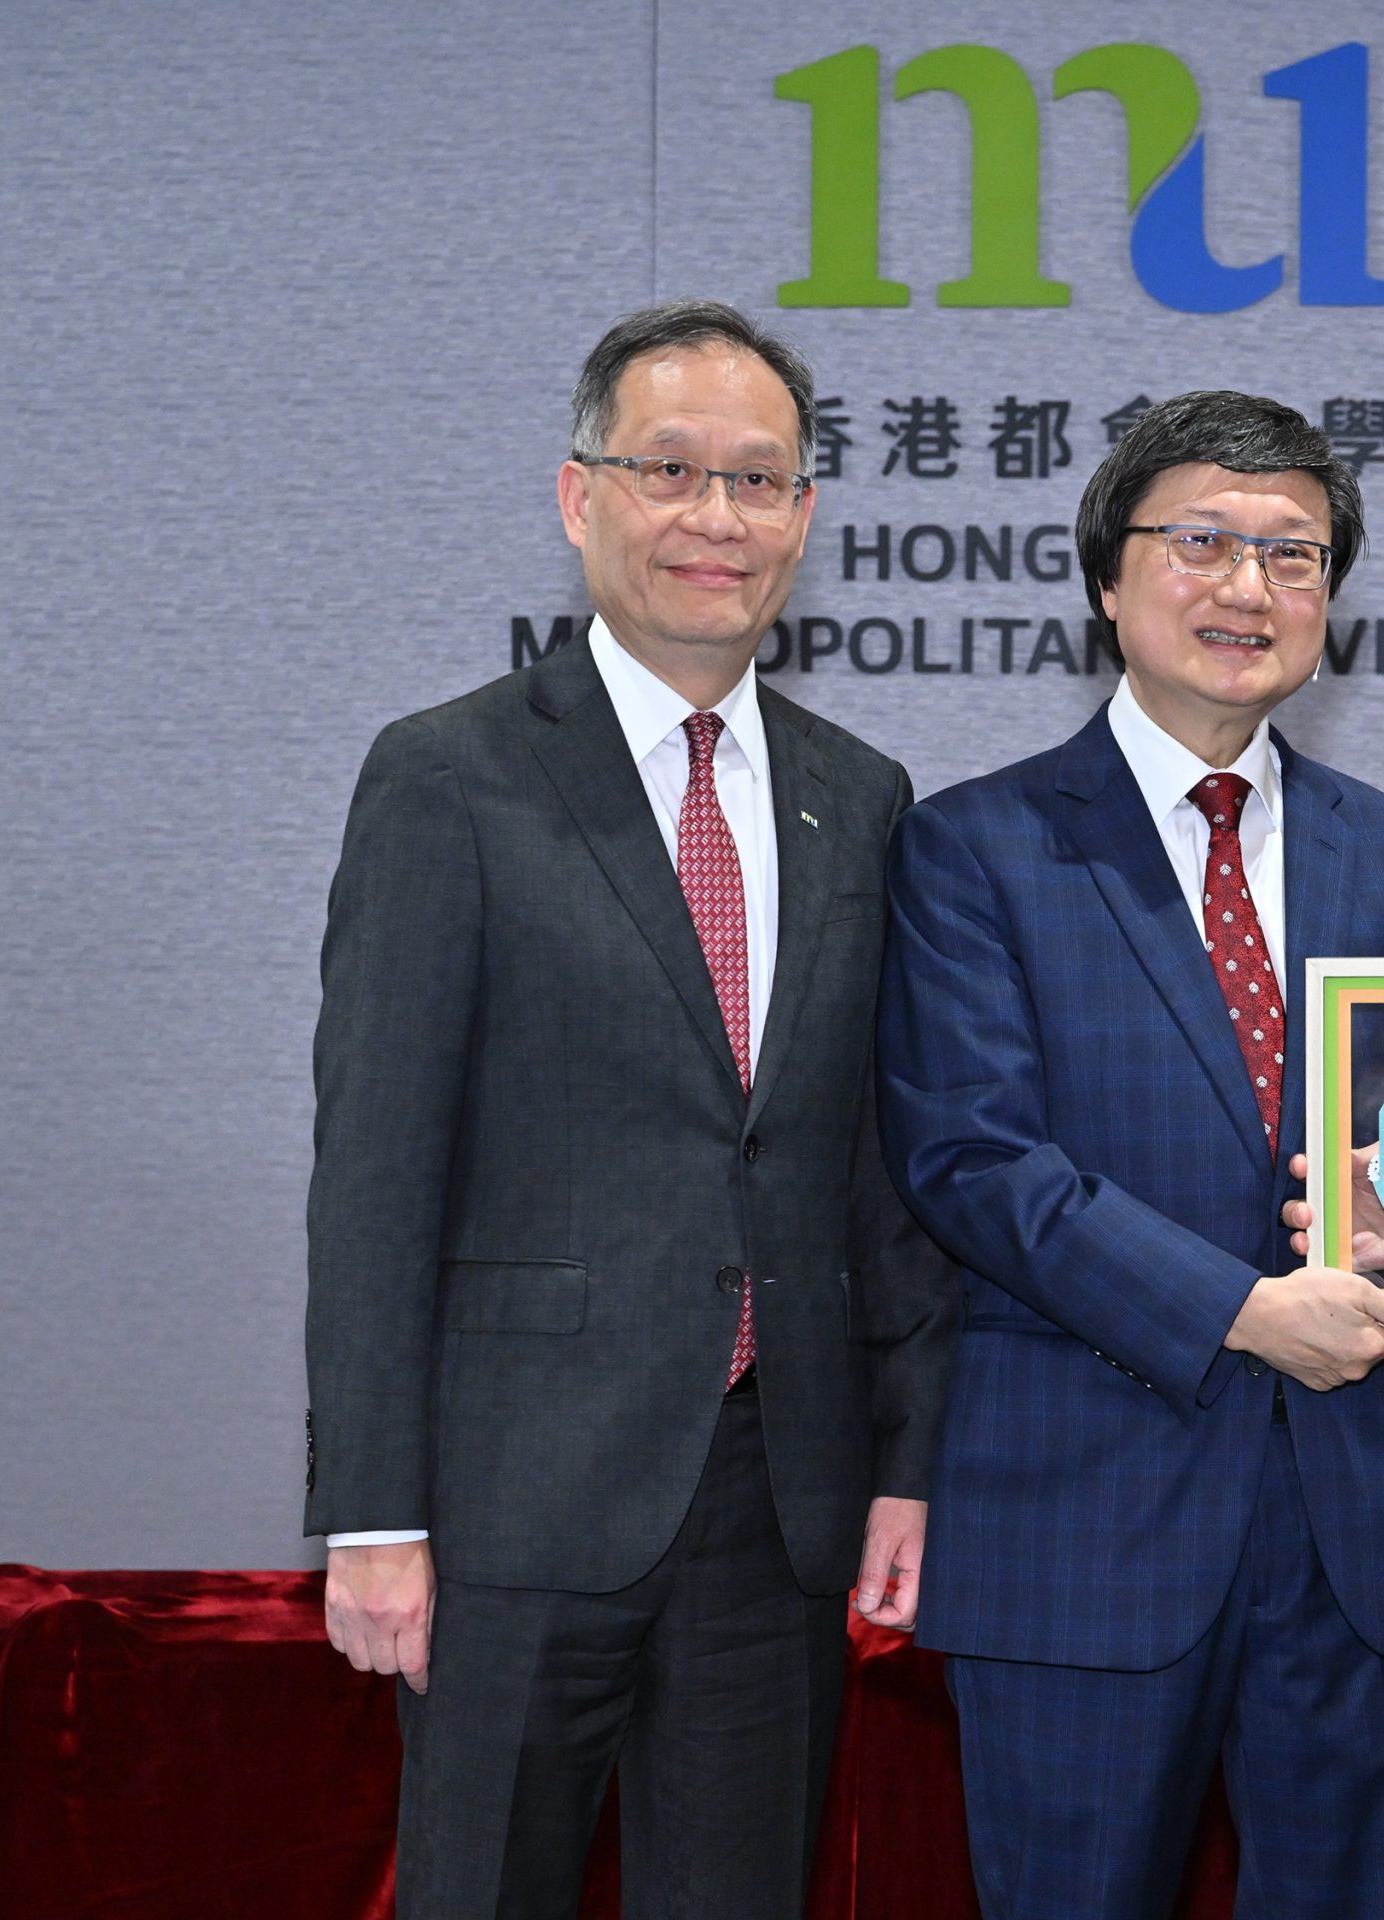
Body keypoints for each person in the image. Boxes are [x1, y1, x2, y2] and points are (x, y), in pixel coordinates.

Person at [302, 299, 956, 1918]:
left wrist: (907, 1460)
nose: (714, 517)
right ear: (578, 494)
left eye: (757, 480)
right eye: (670, 470)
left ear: (805, 516)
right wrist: (372, 1512)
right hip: (511, 1505)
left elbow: (872, 1172)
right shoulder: (448, 775)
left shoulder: (861, 795)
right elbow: (375, 1170)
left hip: (778, 1507)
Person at [875, 390, 1384, 1920]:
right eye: (1201, 542)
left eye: (1293, 554)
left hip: (1358, 1528)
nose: (1250, 585)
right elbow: (973, 1159)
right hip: (1080, 1526)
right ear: (1108, 577)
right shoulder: (973, 849)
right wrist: (1245, 1311)